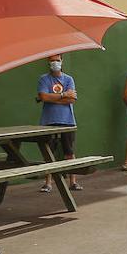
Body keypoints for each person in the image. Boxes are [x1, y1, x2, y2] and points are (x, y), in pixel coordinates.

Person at [37, 54, 82, 193]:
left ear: (62, 61)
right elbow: (43, 96)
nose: (55, 63)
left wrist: (52, 98)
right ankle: (48, 183)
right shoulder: (44, 79)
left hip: (67, 120)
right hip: (48, 121)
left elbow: (72, 99)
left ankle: (73, 182)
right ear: (48, 62)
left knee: (69, 152)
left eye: (57, 60)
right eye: (52, 60)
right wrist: (63, 95)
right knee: (48, 153)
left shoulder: (69, 79)